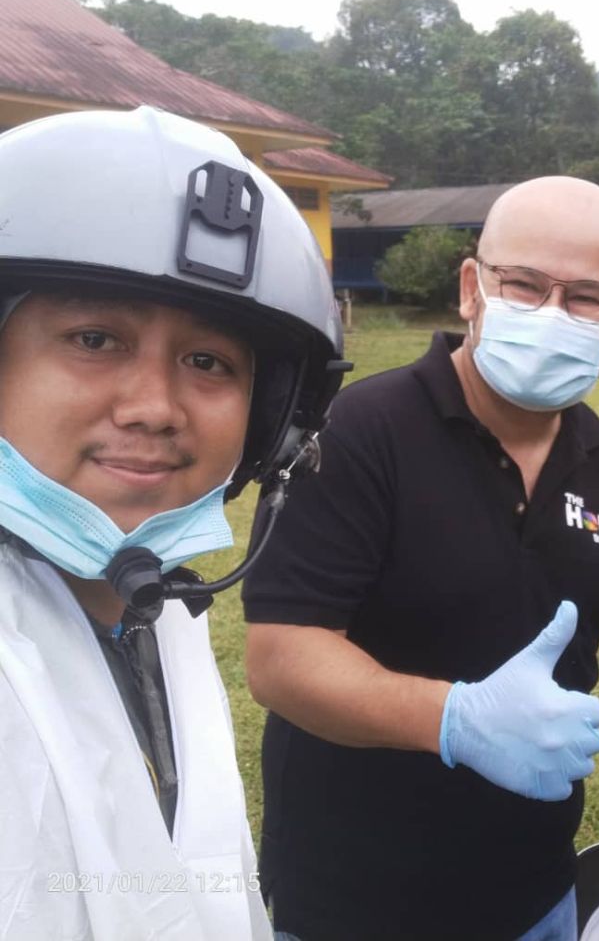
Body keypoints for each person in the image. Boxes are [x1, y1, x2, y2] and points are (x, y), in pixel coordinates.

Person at [242, 176, 599, 941]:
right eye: (524, 285)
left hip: (538, 890)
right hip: (356, 900)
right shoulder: (357, 433)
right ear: (473, 287)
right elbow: (281, 658)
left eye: (584, 297)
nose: (551, 314)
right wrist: (456, 719)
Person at [0, 105, 348, 940]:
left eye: (208, 363)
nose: (156, 407)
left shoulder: (155, 602)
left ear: (271, 424)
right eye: (94, 338)